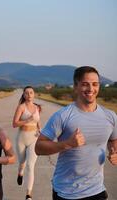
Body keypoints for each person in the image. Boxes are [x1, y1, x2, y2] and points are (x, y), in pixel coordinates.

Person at [35, 66, 117, 200]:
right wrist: (67, 144)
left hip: (97, 189)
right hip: (66, 192)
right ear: (76, 86)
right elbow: (38, 147)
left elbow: (113, 140)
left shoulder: (110, 116)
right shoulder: (63, 115)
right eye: (85, 84)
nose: (91, 89)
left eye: (95, 84)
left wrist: (114, 152)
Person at [12, 86, 41, 200]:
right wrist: (28, 120)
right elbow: (14, 124)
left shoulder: (37, 107)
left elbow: (38, 121)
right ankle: (20, 173)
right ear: (24, 95)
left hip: (34, 138)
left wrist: (40, 130)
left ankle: (28, 194)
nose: (29, 95)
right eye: (27, 93)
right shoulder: (21, 107)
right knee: (22, 162)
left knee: (30, 165)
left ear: (34, 94)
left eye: (31, 93)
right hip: (22, 138)